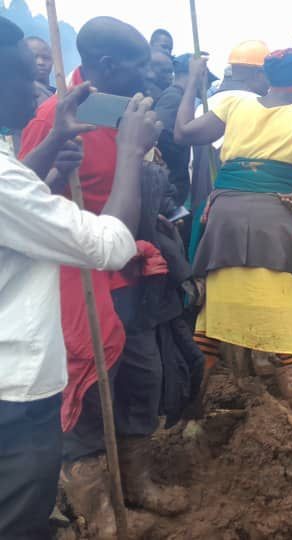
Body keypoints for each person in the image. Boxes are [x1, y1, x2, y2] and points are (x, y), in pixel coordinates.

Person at [19, 16, 193, 533]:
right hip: (81, 283)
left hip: (134, 272)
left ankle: (137, 483)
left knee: (143, 378)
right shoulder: (53, 118)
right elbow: (29, 206)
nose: (150, 76)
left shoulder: (128, 118)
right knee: (93, 391)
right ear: (109, 65)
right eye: (141, 65)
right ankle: (98, 511)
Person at [175, 49, 292, 417]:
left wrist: (192, 79)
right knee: (288, 320)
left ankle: (188, 421)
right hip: (275, 222)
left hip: (225, 222)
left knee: (212, 320)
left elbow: (183, 132)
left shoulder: (235, 103)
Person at [187, 40, 271, 258]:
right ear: (258, 75)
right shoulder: (257, 105)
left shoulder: (205, 105)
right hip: (241, 212)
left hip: (201, 206)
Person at [154, 53, 217, 207]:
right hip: (171, 182)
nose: (208, 85)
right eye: (207, 79)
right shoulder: (173, 97)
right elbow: (161, 137)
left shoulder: (180, 98)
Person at [24, 36, 55, 102]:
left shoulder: (59, 93)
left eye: (46, 57)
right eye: (34, 57)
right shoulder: (21, 94)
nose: (41, 62)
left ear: (53, 61)